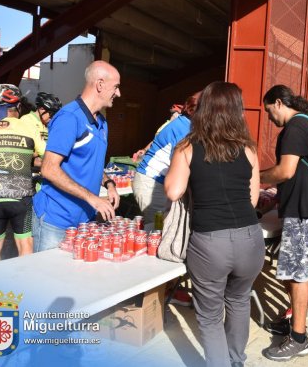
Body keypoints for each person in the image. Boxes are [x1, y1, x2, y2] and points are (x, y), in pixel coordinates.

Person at [165, 81, 263, 367]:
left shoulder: (187, 147)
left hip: (210, 243)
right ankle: (236, 361)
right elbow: (253, 199)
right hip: (250, 240)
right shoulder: (248, 149)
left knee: (209, 317)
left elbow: (173, 191)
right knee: (239, 301)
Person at [260, 85, 308, 361]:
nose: (268, 117)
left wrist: (255, 177)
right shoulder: (305, 125)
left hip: (305, 211)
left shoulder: (296, 128)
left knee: (298, 274)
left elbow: (286, 170)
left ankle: (299, 338)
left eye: (268, 111)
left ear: (279, 103)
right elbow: (298, 173)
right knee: (291, 272)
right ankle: (293, 325)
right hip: (302, 209)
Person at [32, 61, 121, 251]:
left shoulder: (102, 123)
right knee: (46, 279)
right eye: (116, 87)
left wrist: (109, 184)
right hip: (56, 221)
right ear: (99, 84)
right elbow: (48, 168)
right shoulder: (69, 118)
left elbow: (92, 164)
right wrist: (93, 198)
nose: (118, 93)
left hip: (84, 221)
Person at [0, 84, 45, 262]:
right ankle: (25, 286)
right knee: (25, 245)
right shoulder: (28, 127)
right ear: (18, 106)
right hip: (21, 198)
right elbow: (47, 156)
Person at [132, 93, 199, 224]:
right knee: (157, 228)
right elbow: (183, 162)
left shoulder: (184, 124)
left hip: (155, 182)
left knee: (160, 226)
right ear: (193, 111)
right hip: (151, 183)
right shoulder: (184, 129)